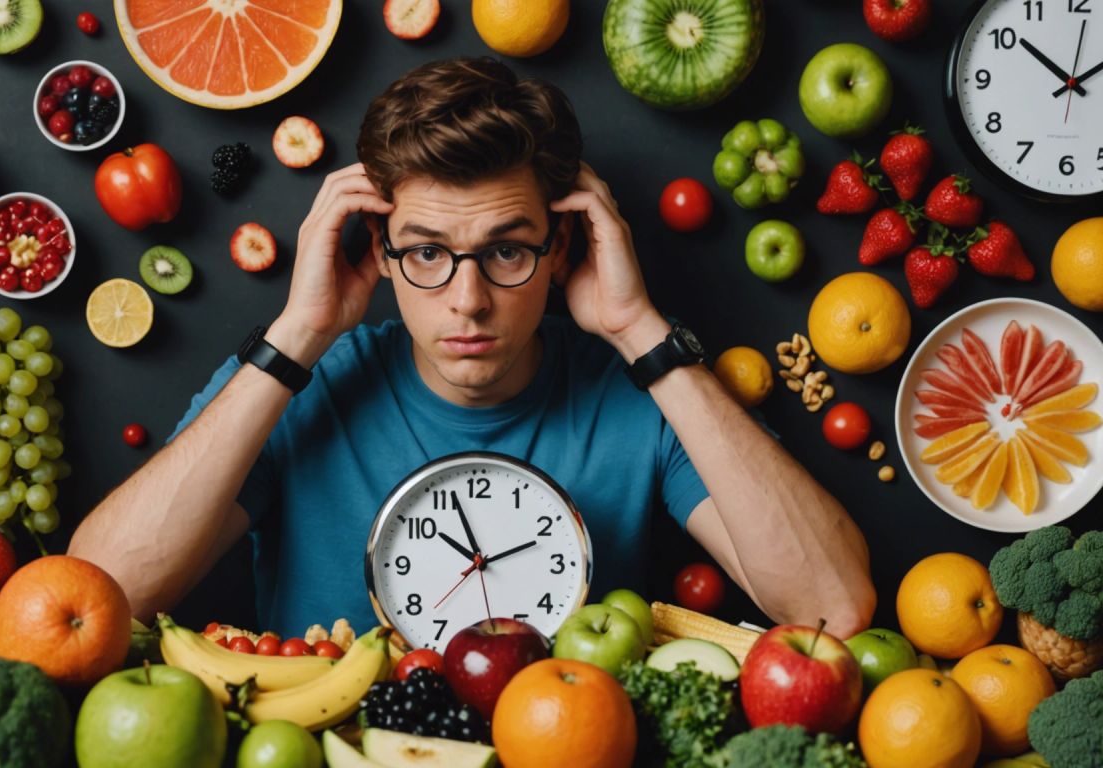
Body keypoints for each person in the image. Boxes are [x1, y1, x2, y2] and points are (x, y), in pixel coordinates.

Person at [68, 57, 876, 640]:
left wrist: (639, 330)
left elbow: (833, 607)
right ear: (378, 252)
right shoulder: (299, 384)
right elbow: (99, 595)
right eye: (426, 252)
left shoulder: (644, 394)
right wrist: (300, 334)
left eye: (507, 249)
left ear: (562, 249)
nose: (468, 298)